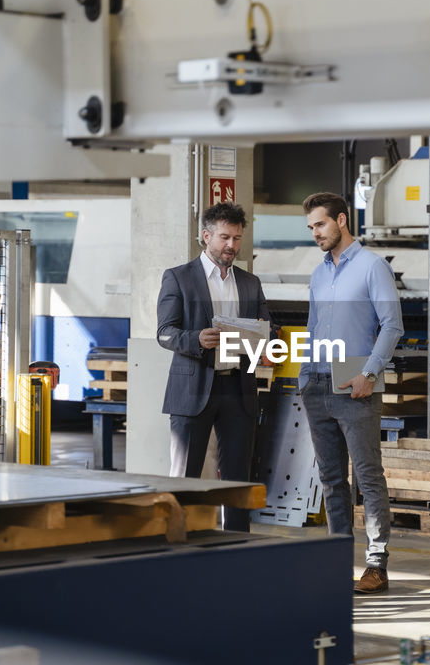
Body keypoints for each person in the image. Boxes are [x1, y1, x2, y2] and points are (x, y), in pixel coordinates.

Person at [299, 191, 403, 594]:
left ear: (342, 220)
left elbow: (391, 326)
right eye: (311, 228)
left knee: (367, 476)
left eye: (320, 225)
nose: (316, 234)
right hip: (318, 380)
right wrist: (305, 376)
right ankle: (336, 558)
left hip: (353, 376)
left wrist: (368, 372)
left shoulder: (372, 267)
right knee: (330, 479)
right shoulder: (319, 272)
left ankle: (377, 564)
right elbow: (312, 329)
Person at [157, 202, 271, 532]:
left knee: (237, 477)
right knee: (185, 476)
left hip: (238, 388)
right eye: (224, 237)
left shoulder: (250, 282)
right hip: (193, 388)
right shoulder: (178, 278)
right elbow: (165, 333)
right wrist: (196, 339)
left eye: (237, 238)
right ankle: (176, 541)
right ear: (206, 236)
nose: (231, 246)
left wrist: (266, 339)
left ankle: (237, 545)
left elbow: (268, 327)